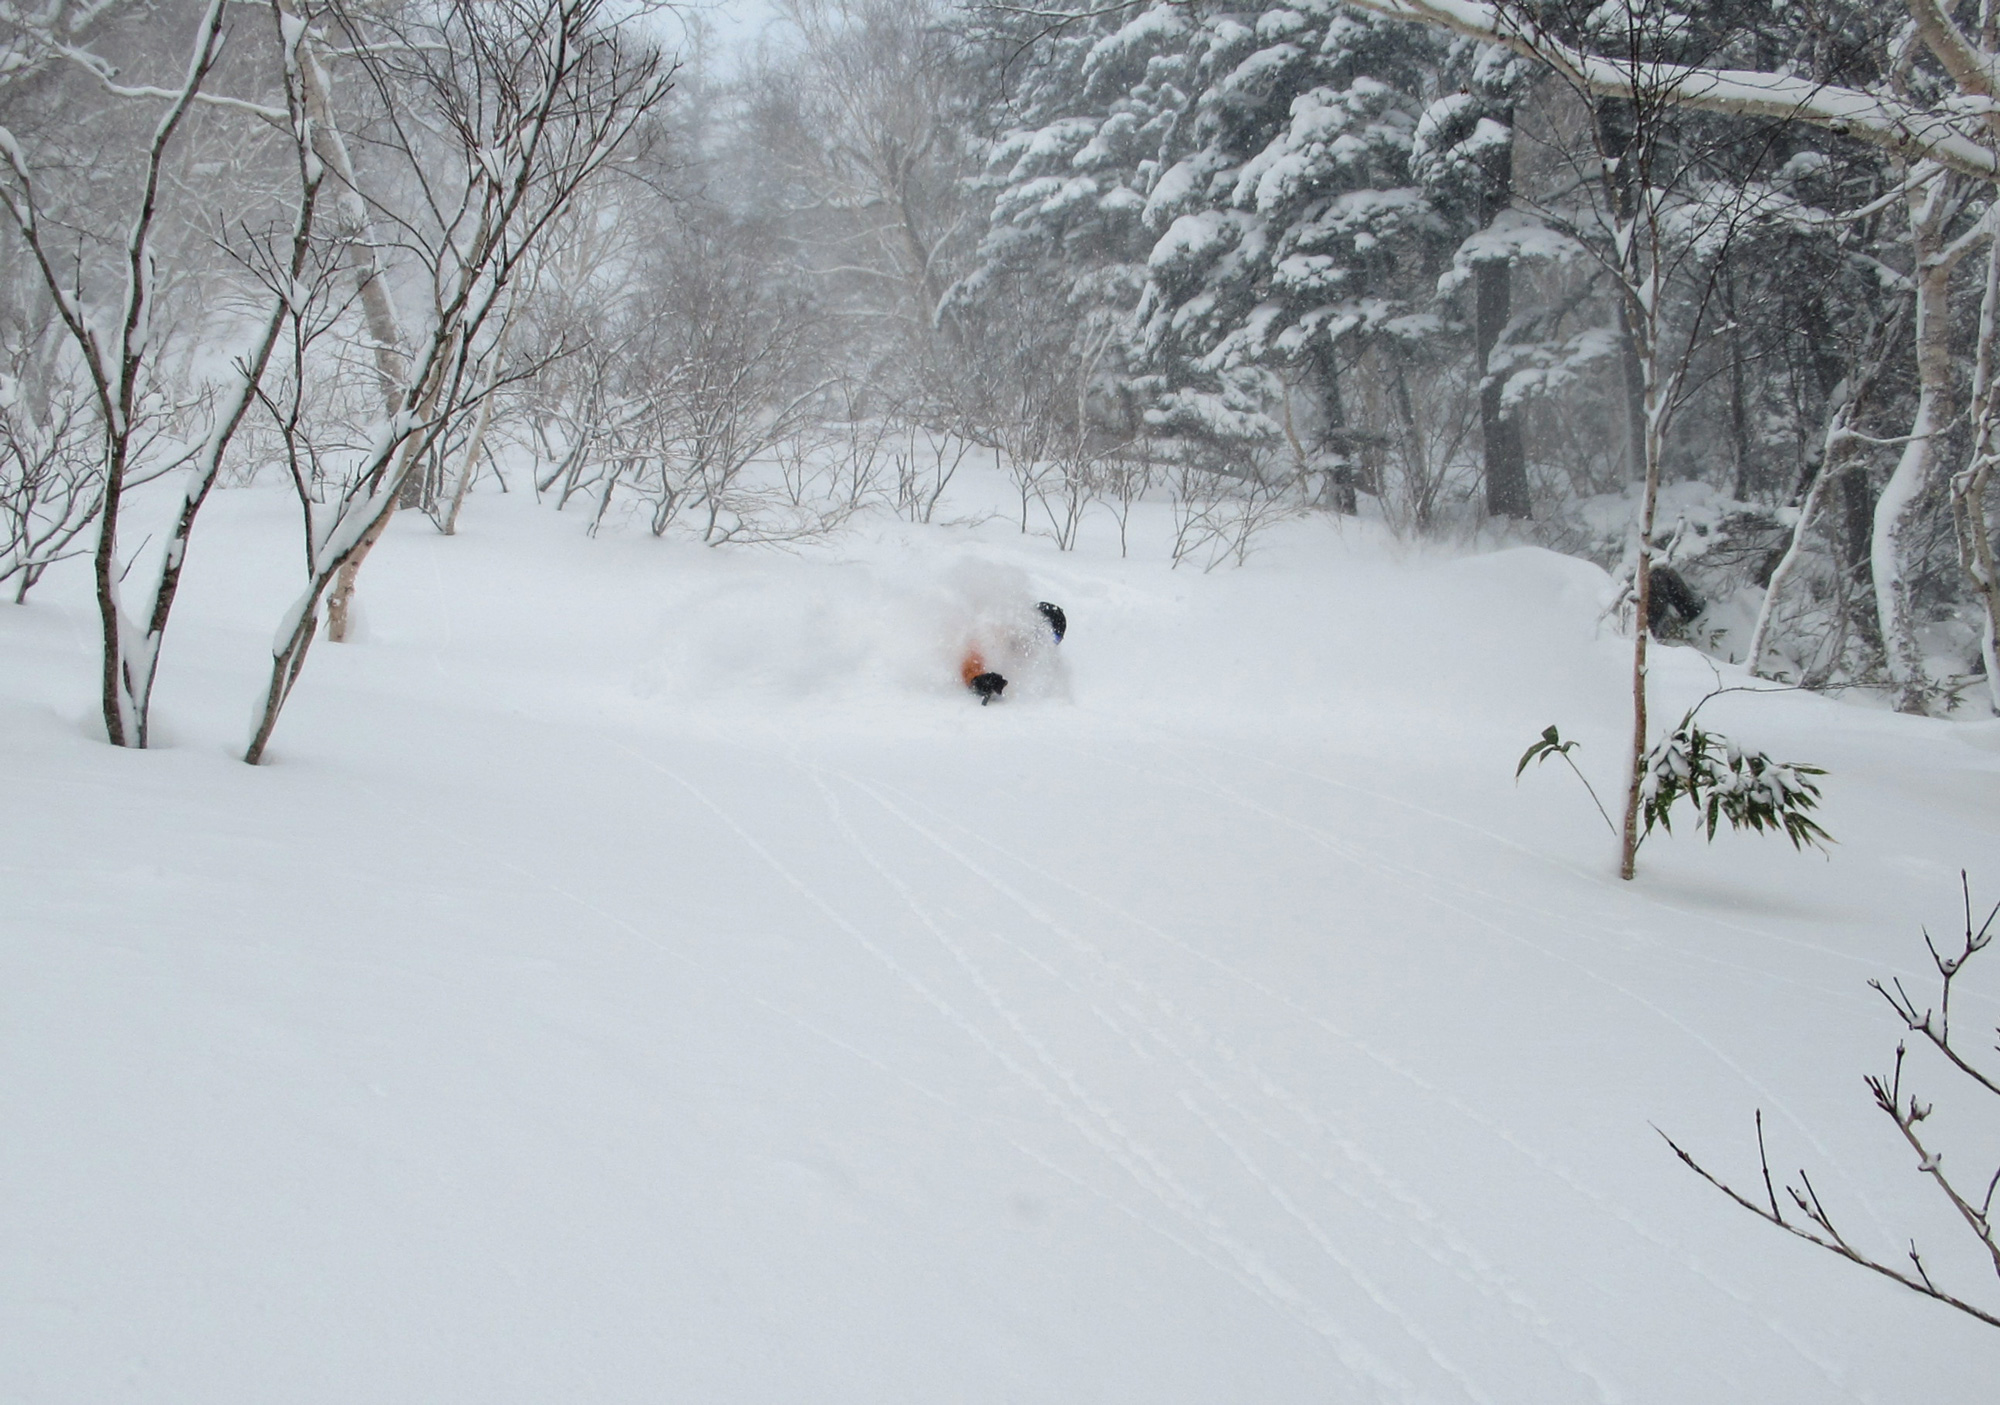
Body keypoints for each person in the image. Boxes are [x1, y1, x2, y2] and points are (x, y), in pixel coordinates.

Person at [961, 600, 1065, 703]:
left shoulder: (1037, 664)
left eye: (1055, 640)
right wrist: (979, 679)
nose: (1042, 643)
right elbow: (970, 658)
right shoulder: (1002, 634)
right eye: (1041, 635)